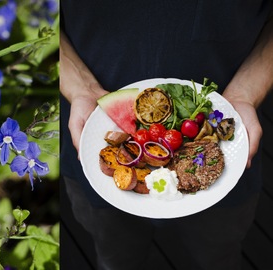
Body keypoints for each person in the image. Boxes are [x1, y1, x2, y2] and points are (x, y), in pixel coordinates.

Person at [60, 1, 273, 269]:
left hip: (232, 155)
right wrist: (80, 86)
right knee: (117, 258)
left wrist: (246, 92)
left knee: (217, 257)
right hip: (91, 136)